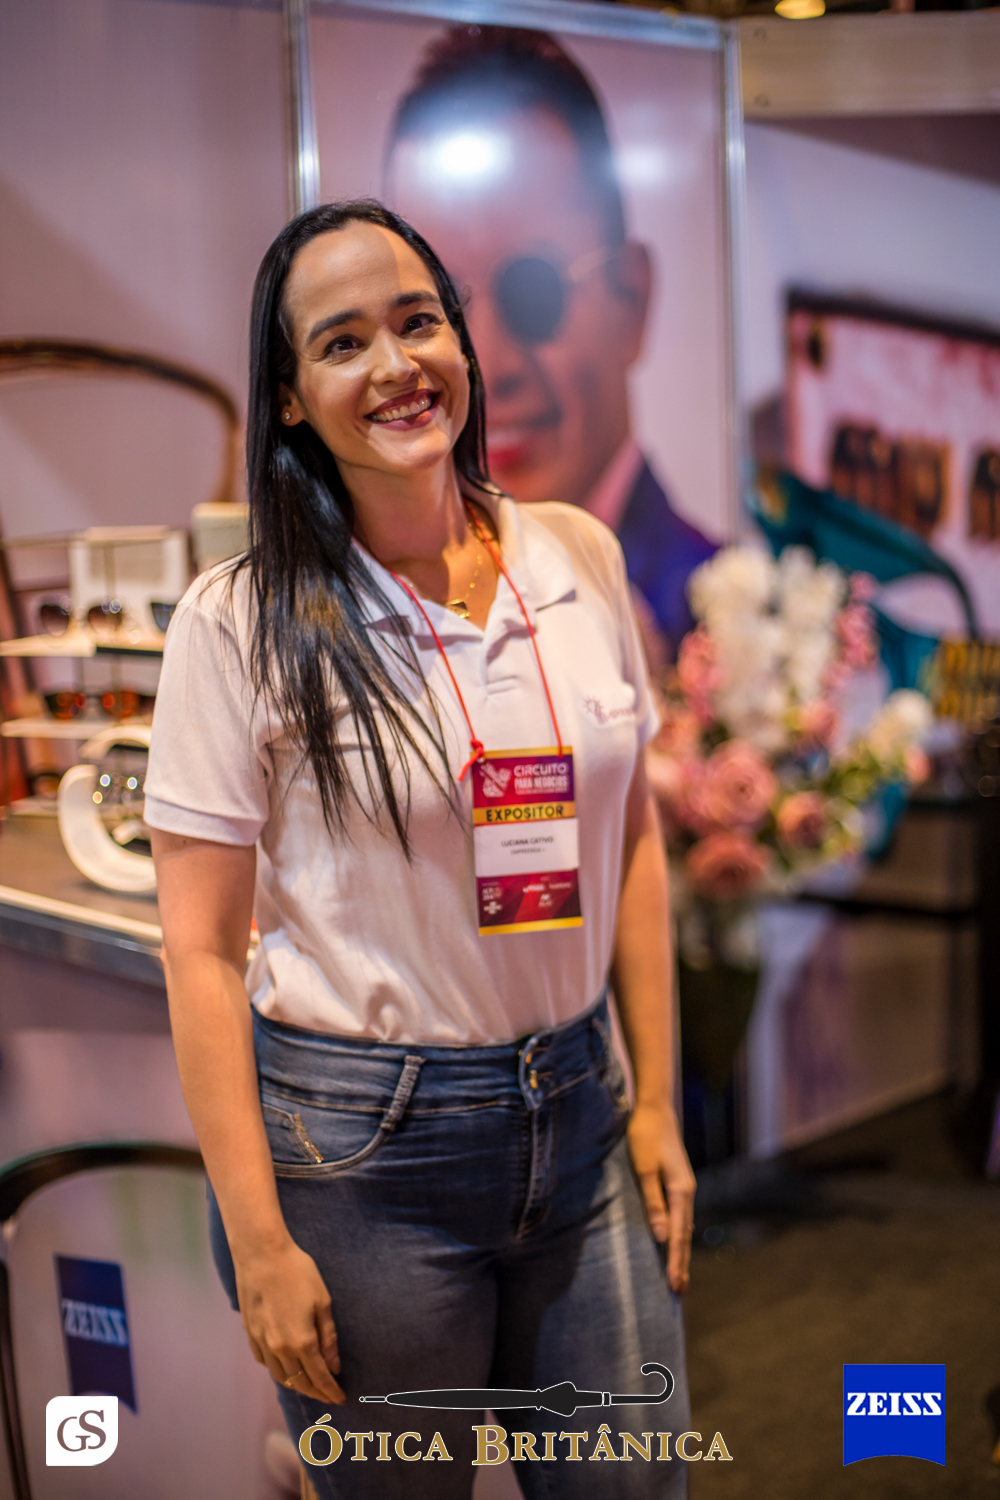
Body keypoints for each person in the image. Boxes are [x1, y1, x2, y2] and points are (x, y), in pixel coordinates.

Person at [147, 200, 694, 1498]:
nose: (396, 366)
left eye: (417, 322)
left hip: (580, 1113)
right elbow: (200, 952)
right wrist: (259, 1242)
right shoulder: (239, 621)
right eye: (343, 343)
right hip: (359, 1159)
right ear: (291, 398)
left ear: (460, 340)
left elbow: (632, 843)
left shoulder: (577, 555)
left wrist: (659, 1101)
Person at [385, 26, 716, 661]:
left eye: (534, 293)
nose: (488, 365)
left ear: (631, 299)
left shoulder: (733, 631)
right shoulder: (381, 617)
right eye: (438, 312)